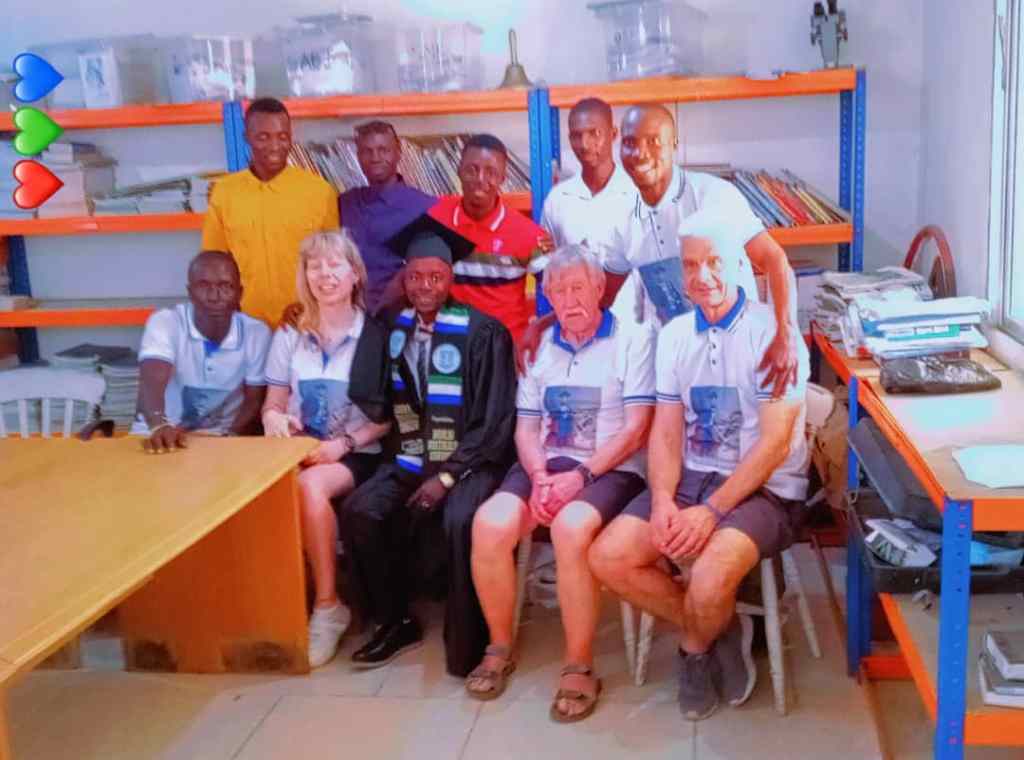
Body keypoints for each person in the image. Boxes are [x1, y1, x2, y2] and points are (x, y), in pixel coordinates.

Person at [588, 219, 810, 722]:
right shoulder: (674, 336)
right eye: (690, 265)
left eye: (714, 263)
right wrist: (664, 499)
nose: (702, 276)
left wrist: (710, 511)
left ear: (739, 265)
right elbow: (667, 432)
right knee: (608, 557)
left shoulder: (774, 334)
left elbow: (775, 445)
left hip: (766, 488)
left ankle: (693, 649)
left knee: (708, 577)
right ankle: (723, 627)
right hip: (694, 476)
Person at [466, 246, 655, 723]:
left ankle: (578, 663)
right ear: (547, 296)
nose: (569, 300)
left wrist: (581, 476)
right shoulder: (539, 348)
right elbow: (526, 427)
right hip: (546, 466)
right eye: (558, 291)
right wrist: (538, 476)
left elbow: (637, 429)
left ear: (599, 289)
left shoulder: (631, 341)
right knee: (488, 524)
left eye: (578, 288)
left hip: (610, 468)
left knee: (570, 529)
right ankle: (499, 645)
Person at [522, 104, 799, 397]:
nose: (641, 153)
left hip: (743, 352)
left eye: (654, 141)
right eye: (631, 143)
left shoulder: (713, 196)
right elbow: (601, 296)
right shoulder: (621, 217)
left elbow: (774, 259)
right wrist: (542, 326)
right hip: (681, 362)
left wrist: (786, 334)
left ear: (674, 144)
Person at [340, 215, 517, 674]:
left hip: (472, 460)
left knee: (460, 518)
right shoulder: (391, 327)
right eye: (415, 276)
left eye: (435, 277)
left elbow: (495, 422)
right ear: (404, 278)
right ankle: (395, 621)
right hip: (411, 455)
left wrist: (448, 476)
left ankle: (470, 645)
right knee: (362, 510)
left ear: (450, 278)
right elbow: (372, 395)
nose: (424, 286)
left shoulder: (484, 333)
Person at [261, 230, 391, 669]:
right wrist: (275, 420)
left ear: (355, 274)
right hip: (298, 448)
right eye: (314, 266)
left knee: (310, 487)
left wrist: (342, 445)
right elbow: (273, 403)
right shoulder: (289, 334)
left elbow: (388, 418)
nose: (325, 274)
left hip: (356, 451)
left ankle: (327, 606)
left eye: (335, 264)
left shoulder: (374, 335)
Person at [202, 97, 339, 327]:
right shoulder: (224, 193)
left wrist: (313, 308)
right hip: (247, 324)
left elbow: (332, 263)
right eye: (263, 137)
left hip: (306, 323)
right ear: (247, 137)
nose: (275, 146)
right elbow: (215, 263)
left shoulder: (320, 192)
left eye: (282, 137)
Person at [134, 250, 270, 453]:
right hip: (158, 436)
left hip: (221, 440)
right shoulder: (166, 322)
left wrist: (230, 439)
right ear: (190, 292)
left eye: (225, 286)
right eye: (204, 286)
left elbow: (254, 401)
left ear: (240, 293)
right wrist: (159, 425)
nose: (214, 296)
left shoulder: (256, 333)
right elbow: (151, 380)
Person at [428, 134, 548, 345]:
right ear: (459, 170)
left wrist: (539, 327)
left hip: (504, 349)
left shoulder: (528, 234)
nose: (480, 179)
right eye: (472, 170)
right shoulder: (434, 219)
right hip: (449, 347)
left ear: (503, 178)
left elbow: (560, 292)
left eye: (491, 172)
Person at [539, 97, 639, 324]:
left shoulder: (637, 195)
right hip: (576, 324)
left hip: (630, 323)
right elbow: (547, 267)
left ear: (614, 134)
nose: (584, 144)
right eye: (576, 135)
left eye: (595, 133)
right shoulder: (558, 198)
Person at [339, 120, 437, 315]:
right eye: (367, 151)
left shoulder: (424, 206)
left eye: (383, 150)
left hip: (403, 314)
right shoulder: (345, 203)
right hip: (349, 314)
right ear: (358, 156)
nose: (375, 158)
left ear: (398, 152)